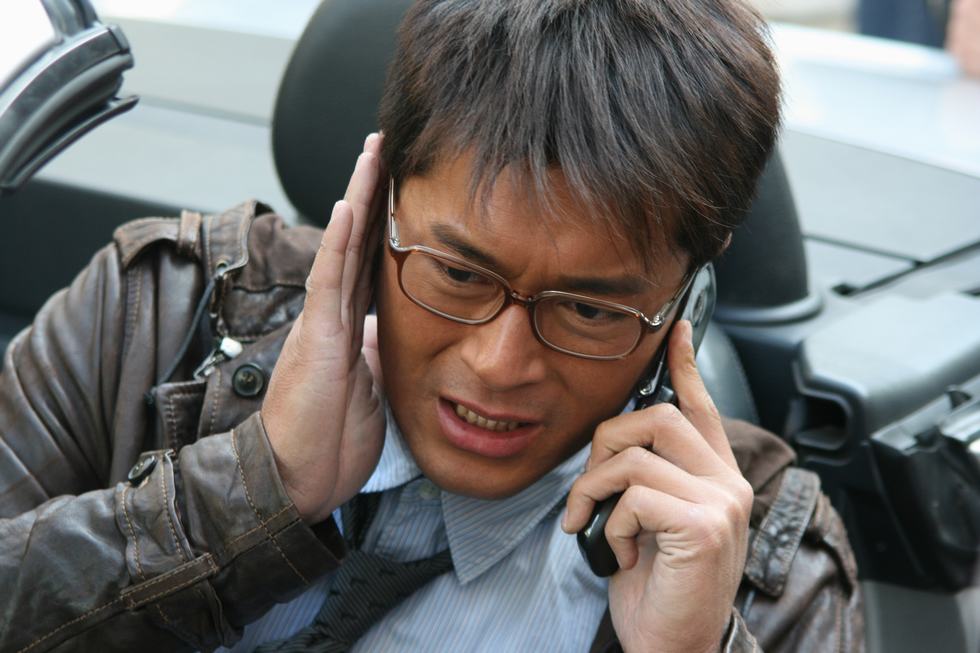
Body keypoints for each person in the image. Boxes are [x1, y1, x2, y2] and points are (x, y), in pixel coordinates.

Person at [0, 1, 863, 651]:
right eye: (458, 273)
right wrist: (250, 496)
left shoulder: (765, 570)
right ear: (379, 201)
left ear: (685, 305)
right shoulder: (153, 313)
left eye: (589, 309)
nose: (498, 362)